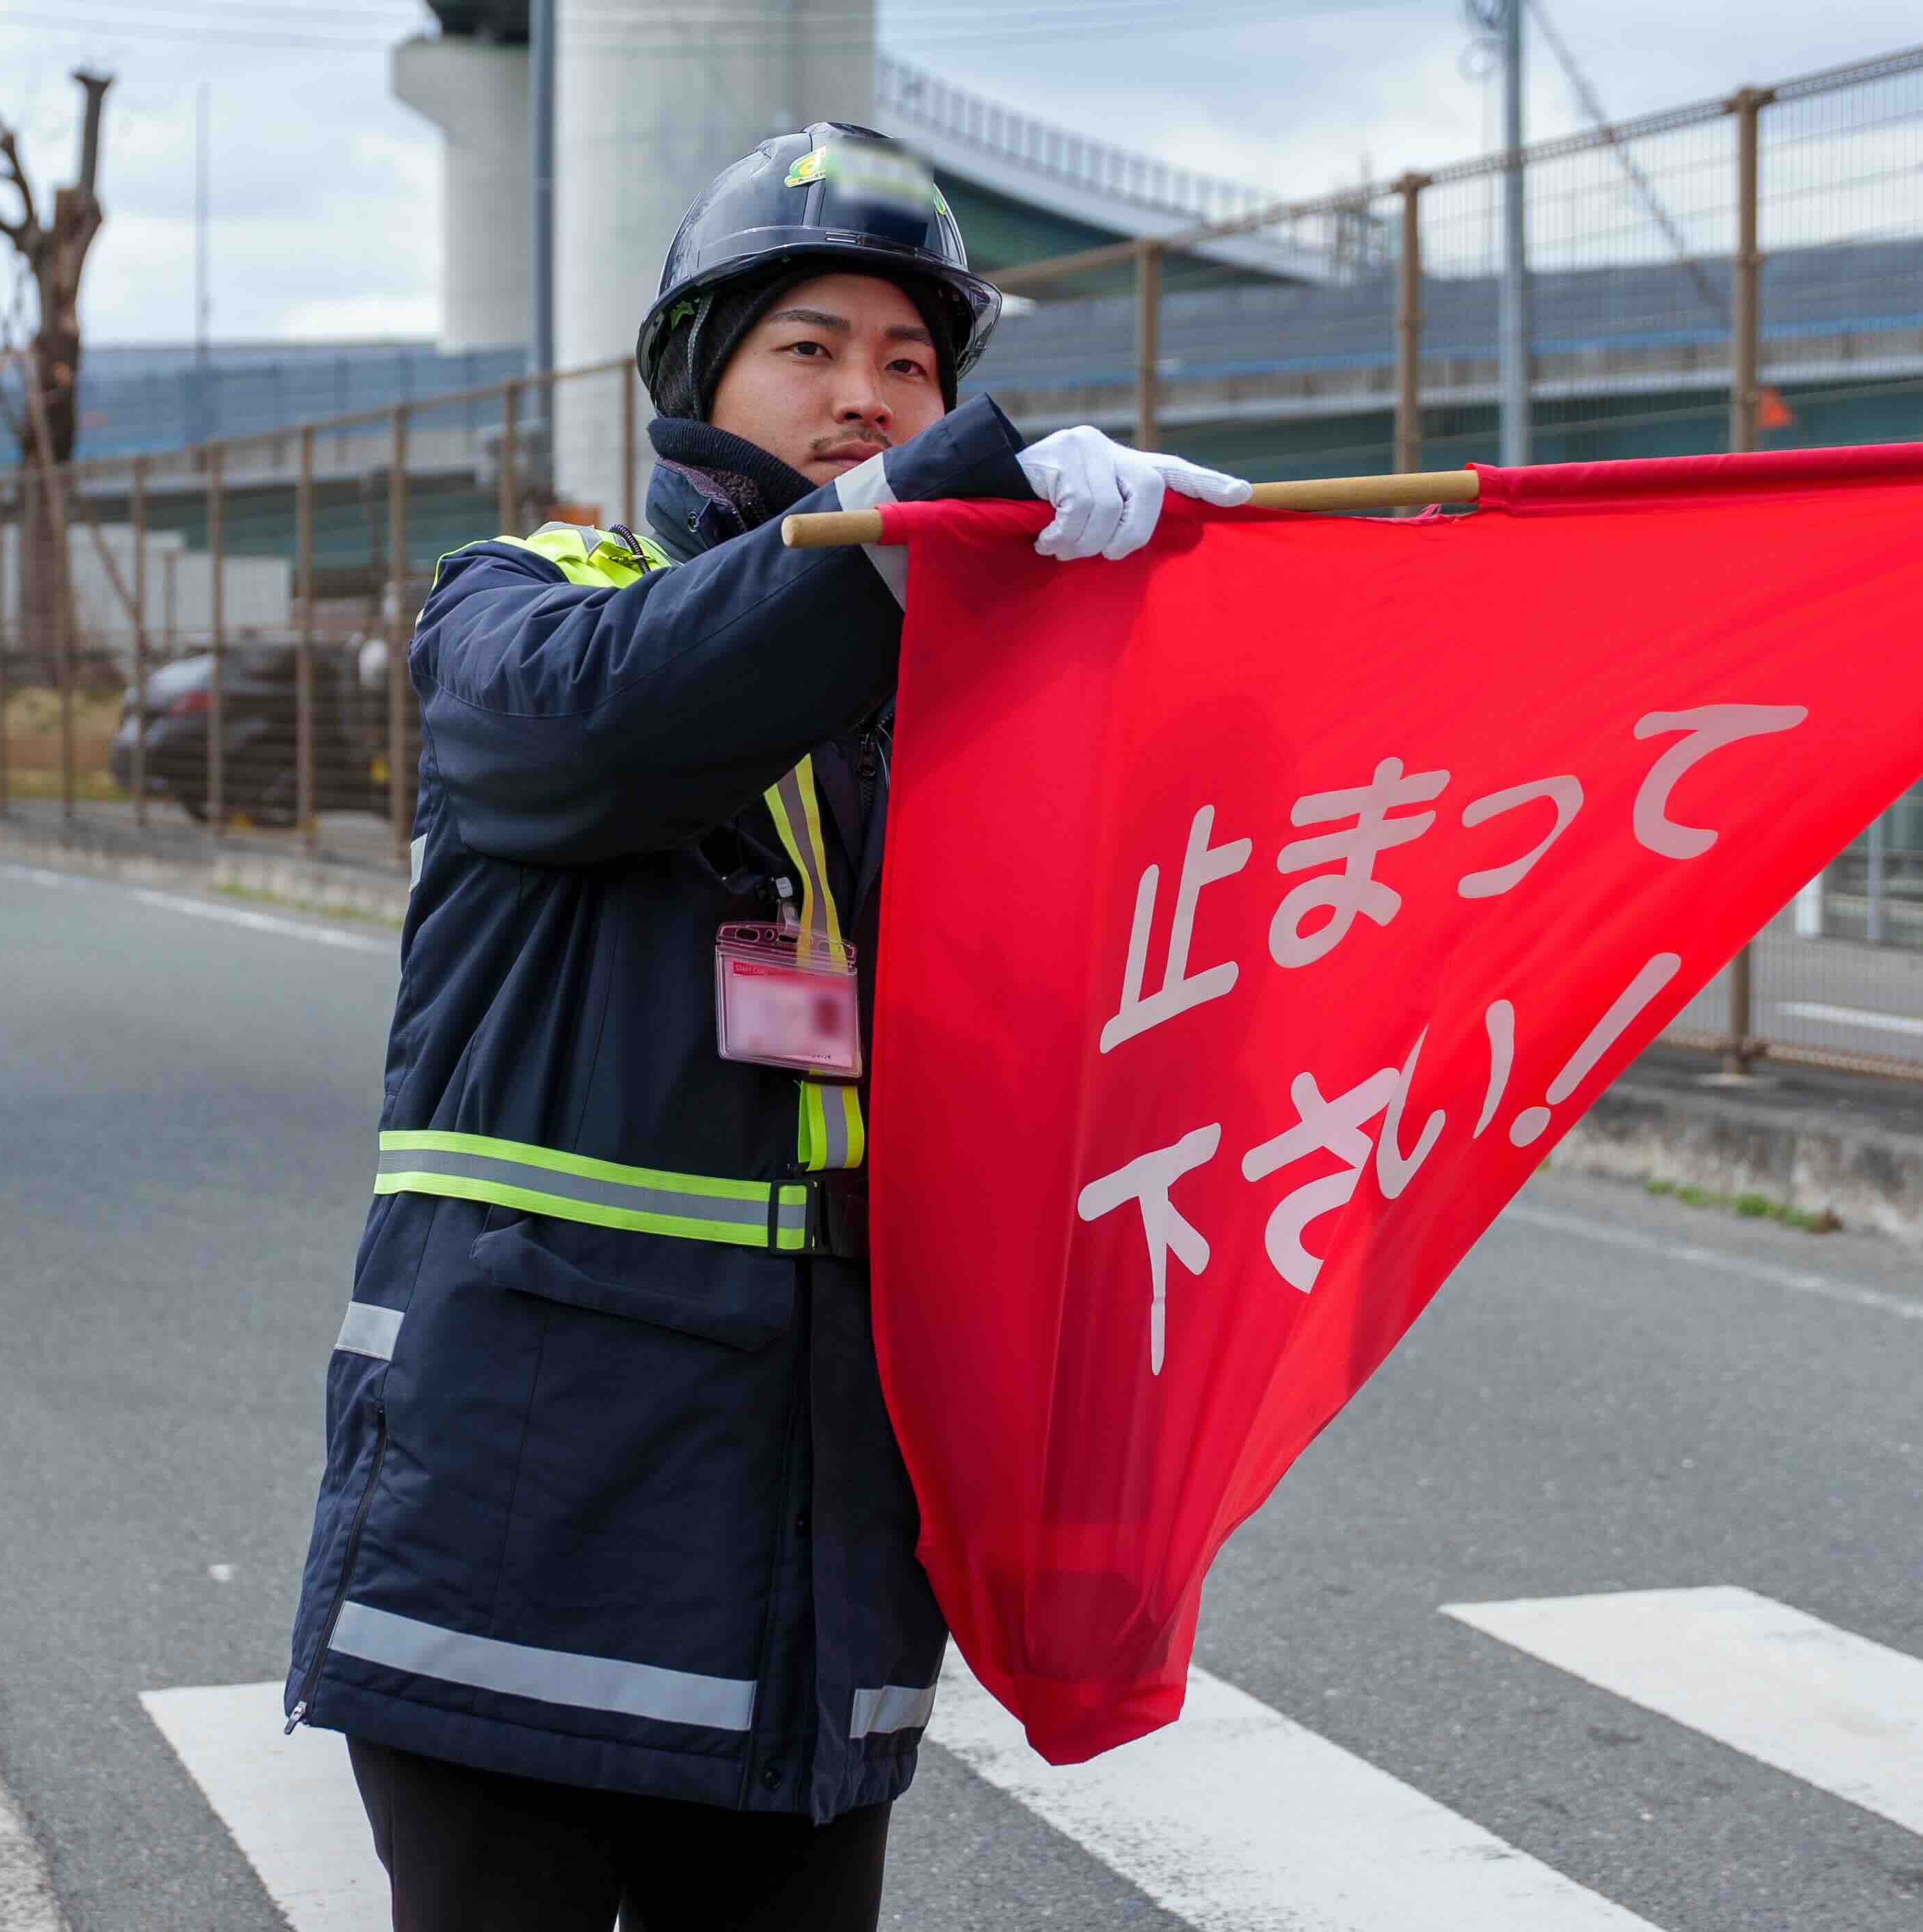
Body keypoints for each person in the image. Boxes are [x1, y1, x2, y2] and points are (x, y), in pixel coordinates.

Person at [284, 121, 1249, 1931]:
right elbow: (604, 727)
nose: (866, 395)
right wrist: (938, 518)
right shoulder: (529, 607)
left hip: (812, 1569)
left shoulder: (953, 717)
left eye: (911, 363)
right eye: (810, 347)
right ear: (699, 376)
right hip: (525, 1545)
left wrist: (1158, 632)